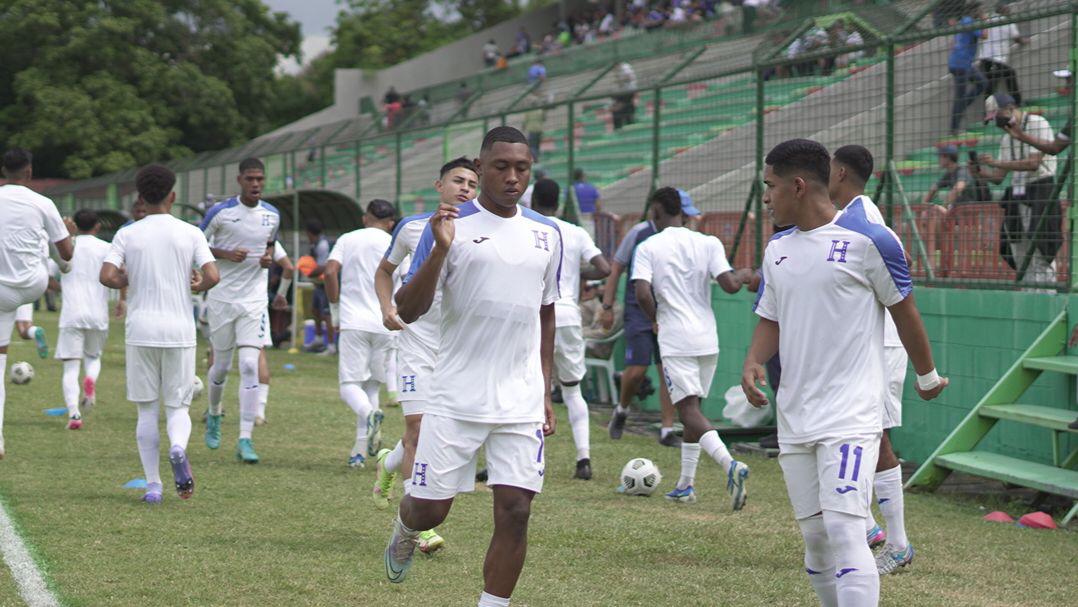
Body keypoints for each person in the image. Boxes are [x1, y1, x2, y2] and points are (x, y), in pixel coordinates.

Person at [743, 139, 946, 606]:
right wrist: (754, 359)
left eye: (770, 187)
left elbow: (905, 311)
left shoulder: (869, 241)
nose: (767, 197)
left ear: (797, 185)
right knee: (815, 537)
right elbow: (770, 316)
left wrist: (927, 375)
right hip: (796, 416)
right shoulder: (778, 249)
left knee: (844, 527)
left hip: (852, 415)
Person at [382, 127, 561, 607]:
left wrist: (544, 392)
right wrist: (440, 249)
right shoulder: (448, 225)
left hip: (519, 397)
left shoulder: (548, 233)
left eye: (521, 168)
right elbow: (408, 308)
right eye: (501, 167)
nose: (512, 177)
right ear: (481, 169)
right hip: (456, 393)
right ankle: (404, 527)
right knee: (430, 511)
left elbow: (547, 313)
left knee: (516, 510)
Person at [372, 157, 478, 555]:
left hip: (457, 347)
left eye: (472, 182)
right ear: (439, 185)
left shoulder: (481, 233)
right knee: (419, 427)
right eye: (457, 180)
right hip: (415, 338)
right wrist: (387, 308)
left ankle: (388, 464)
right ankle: (420, 526)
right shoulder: (412, 227)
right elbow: (385, 272)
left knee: (440, 430)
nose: (465, 187)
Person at [100, 164, 219, 503]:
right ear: (173, 196)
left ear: (140, 197)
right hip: (179, 329)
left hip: (141, 330)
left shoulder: (128, 233)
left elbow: (107, 275)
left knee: (146, 410)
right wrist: (199, 283)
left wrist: (124, 280)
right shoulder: (189, 232)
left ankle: (153, 484)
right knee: (178, 407)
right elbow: (212, 274)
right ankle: (178, 448)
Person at [632, 186, 753, 507]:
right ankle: (685, 485)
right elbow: (728, 285)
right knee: (693, 410)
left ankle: (731, 465)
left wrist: (655, 318)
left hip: (675, 338)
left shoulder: (648, 246)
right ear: (683, 212)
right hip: (707, 338)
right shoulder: (708, 242)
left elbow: (642, 293)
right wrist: (742, 274)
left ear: (656, 212)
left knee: (687, 410)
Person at [829, 144, 918, 574]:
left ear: (841, 173)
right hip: (867, 343)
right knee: (849, 431)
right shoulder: (857, 220)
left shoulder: (857, 224)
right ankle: (867, 527)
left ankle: (897, 543)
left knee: (874, 434)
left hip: (879, 345)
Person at [602, 194, 704, 447]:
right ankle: (622, 409)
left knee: (667, 371)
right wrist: (607, 305)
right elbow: (616, 267)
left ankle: (667, 430)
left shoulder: (686, 241)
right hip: (639, 311)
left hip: (668, 312)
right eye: (684, 214)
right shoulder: (639, 234)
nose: (687, 219)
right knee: (636, 371)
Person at [200, 158, 281, 463]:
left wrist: (267, 260)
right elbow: (196, 245)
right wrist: (224, 253)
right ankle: (215, 412)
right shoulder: (220, 213)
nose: (256, 184)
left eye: (260, 179)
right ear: (239, 180)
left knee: (249, 365)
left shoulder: (272, 215)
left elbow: (271, 247)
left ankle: (245, 438)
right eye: (250, 179)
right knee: (220, 367)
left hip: (254, 301)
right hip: (222, 298)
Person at [531, 178, 610, 480]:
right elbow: (603, 268)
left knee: (532, 388)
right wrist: (576, 271)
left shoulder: (527, 225)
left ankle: (531, 458)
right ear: (559, 201)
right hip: (568, 315)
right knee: (573, 390)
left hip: (538, 315)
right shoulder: (576, 232)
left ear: (533, 200)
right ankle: (583, 459)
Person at [0, 148, 74, 460]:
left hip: (0, 290)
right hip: (34, 285)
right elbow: (67, 252)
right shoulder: (43, 202)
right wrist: (66, 254)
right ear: (29, 173)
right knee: (59, 259)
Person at [324, 199, 399, 469]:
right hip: (385, 321)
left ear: (365, 217)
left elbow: (330, 271)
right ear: (390, 223)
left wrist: (334, 309)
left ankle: (368, 415)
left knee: (349, 386)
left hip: (354, 321)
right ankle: (358, 452)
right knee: (371, 386)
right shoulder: (395, 242)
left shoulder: (348, 238)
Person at [977, 93, 1059, 285]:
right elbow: (999, 177)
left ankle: (1046, 293)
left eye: (997, 116)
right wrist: (980, 173)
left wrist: (998, 162)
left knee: (1041, 248)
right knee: (1017, 248)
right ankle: (1028, 290)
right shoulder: (1007, 140)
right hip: (1017, 193)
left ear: (1009, 109)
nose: (997, 122)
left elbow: (1033, 164)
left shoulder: (1038, 123)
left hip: (1041, 190)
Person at [55, 209, 113, 430]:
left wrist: (62, 289)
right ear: (97, 226)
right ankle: (90, 379)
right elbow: (118, 273)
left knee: (70, 366)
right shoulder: (106, 248)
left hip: (71, 312)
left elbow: (52, 271)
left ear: (75, 225)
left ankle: (74, 414)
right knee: (93, 357)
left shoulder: (69, 246)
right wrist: (122, 300)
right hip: (98, 313)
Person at [922, 145, 977, 277]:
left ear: (948, 158)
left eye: (940, 157)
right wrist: (923, 205)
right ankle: (938, 264)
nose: (938, 160)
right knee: (926, 217)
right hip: (954, 216)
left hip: (967, 216)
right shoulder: (949, 173)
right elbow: (933, 189)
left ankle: (935, 264)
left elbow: (959, 187)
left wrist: (946, 207)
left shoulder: (962, 170)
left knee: (933, 216)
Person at [255, 241, 294, 425]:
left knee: (219, 355)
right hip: (256, 305)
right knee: (257, 354)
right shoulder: (268, 233)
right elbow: (289, 267)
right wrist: (281, 294)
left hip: (224, 300)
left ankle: (215, 409)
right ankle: (259, 412)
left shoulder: (223, 224)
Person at [1006, 69, 1073, 156]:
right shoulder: (1073, 118)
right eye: (1067, 81)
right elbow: (1054, 148)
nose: (1066, 87)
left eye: (1070, 81)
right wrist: (1021, 135)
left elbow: (1054, 148)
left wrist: (1021, 135)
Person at [947, 4, 987, 134]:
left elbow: (952, 43)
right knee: (959, 97)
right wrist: (984, 20)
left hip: (961, 63)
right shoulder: (971, 22)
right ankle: (954, 129)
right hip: (961, 65)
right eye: (979, 10)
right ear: (975, 11)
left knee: (982, 83)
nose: (981, 11)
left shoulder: (963, 21)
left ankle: (962, 106)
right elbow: (985, 35)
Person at [977, 2, 1028, 105]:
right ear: (1003, 10)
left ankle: (987, 112)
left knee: (991, 85)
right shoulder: (1008, 22)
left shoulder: (989, 20)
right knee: (1010, 74)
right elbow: (1017, 39)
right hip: (996, 60)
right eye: (1007, 9)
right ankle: (1017, 103)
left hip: (984, 59)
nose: (1009, 10)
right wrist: (1025, 41)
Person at [306, 219, 335, 354]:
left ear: (309, 233)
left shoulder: (323, 245)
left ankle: (330, 345)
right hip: (318, 284)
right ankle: (318, 339)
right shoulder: (315, 244)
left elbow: (324, 266)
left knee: (327, 315)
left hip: (326, 285)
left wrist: (308, 270)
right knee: (315, 310)